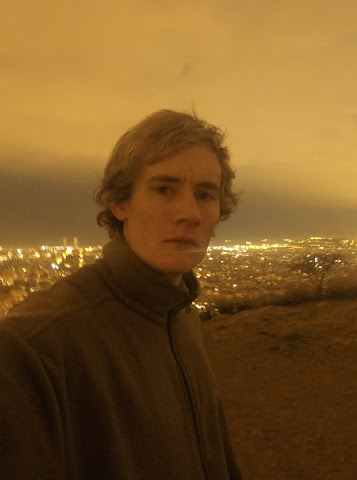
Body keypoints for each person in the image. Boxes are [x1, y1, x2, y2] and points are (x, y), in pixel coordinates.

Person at [0, 109, 243, 479]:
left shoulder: (184, 318)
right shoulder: (33, 347)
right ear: (120, 202)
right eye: (164, 189)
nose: (190, 213)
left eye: (205, 194)